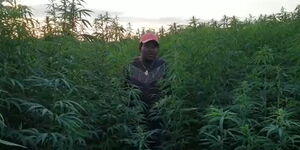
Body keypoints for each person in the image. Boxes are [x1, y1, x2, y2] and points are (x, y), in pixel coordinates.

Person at [124, 33, 168, 150]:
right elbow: (123, 90)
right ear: (140, 47)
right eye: (147, 46)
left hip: (157, 116)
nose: (151, 50)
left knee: (156, 144)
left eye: (154, 47)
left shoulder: (163, 65)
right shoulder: (130, 66)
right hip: (136, 116)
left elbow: (169, 90)